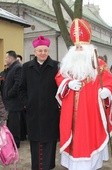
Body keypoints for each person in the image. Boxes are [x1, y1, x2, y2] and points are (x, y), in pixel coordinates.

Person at [55, 18, 112, 170]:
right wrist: (67, 83)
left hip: (91, 115)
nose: (78, 50)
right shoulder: (68, 64)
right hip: (71, 114)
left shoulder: (99, 64)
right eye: (76, 47)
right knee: (74, 142)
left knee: (90, 143)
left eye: (81, 47)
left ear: (89, 47)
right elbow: (59, 77)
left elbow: (109, 82)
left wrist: (106, 91)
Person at [19, 35, 60, 170]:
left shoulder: (55, 66)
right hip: (33, 112)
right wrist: (27, 103)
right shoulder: (26, 67)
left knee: (50, 141)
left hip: (51, 112)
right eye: (40, 50)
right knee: (35, 142)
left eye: (45, 50)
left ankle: (48, 167)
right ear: (35, 52)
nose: (43, 53)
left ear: (48, 51)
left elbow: (61, 87)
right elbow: (21, 88)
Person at [2, 50, 23, 148]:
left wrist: (9, 94)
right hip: (9, 102)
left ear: (11, 58)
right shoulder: (10, 68)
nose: (5, 60)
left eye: (6, 57)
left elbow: (18, 84)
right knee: (10, 124)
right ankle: (11, 143)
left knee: (14, 125)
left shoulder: (18, 67)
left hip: (14, 102)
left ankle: (15, 144)